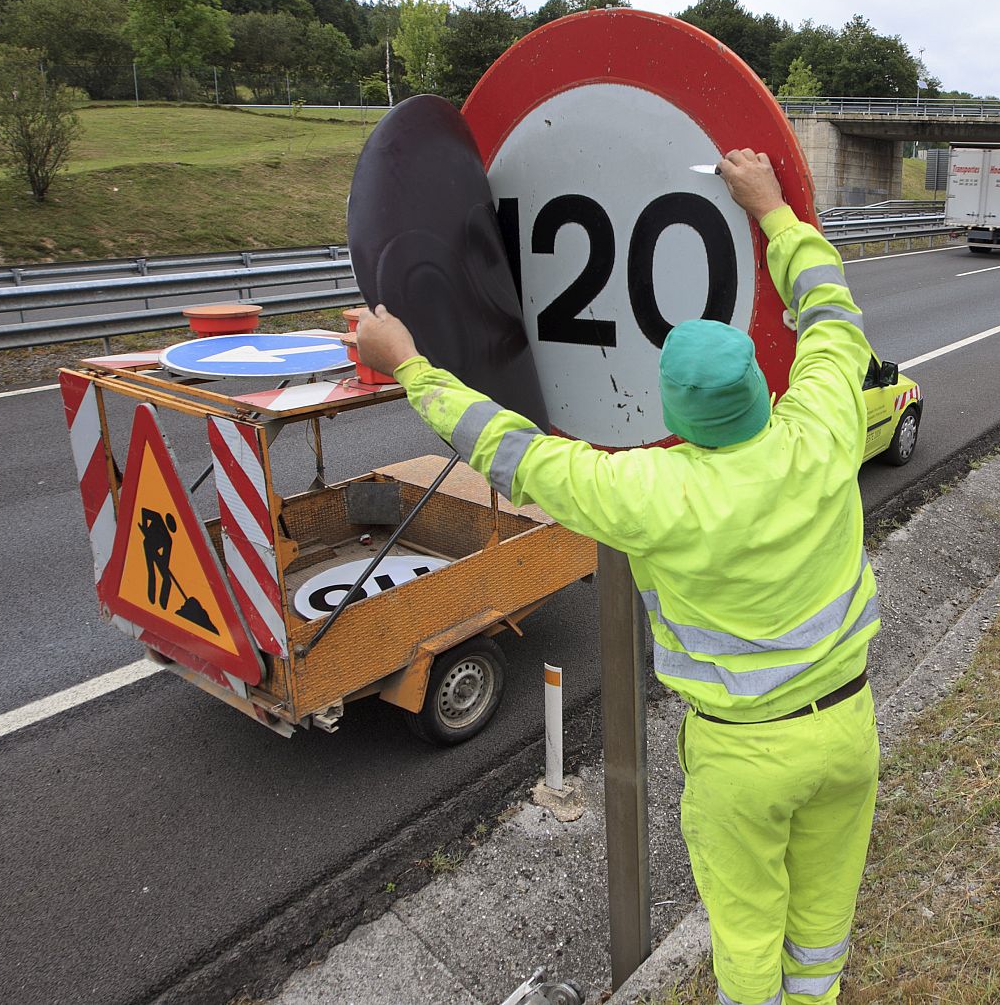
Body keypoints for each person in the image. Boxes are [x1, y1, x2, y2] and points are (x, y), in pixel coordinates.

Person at [357, 148, 880, 1005]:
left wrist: (409, 362)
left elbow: (512, 450)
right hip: (848, 725)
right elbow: (831, 311)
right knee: (822, 914)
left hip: (743, 756)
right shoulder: (821, 425)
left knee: (747, 929)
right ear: (759, 384)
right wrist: (773, 210)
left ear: (673, 415)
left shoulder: (651, 492)